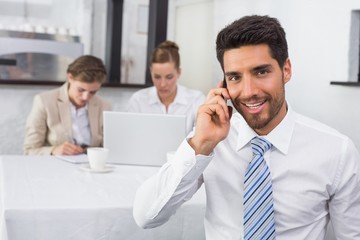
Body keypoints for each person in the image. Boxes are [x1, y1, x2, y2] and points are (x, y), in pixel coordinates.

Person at [133, 15, 360, 239]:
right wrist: (200, 144)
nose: (248, 91)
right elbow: (146, 216)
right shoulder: (211, 142)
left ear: (286, 70)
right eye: (234, 77)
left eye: (261, 72)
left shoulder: (336, 151)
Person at [24, 55, 112, 155]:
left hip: (90, 167)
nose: (85, 97)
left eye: (93, 92)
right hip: (55, 166)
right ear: (70, 77)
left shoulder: (104, 106)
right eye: (81, 90)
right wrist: (53, 151)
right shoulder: (44, 102)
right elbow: (29, 150)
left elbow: (109, 148)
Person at [127, 40, 205, 134]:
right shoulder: (138, 101)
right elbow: (130, 137)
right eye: (157, 77)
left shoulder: (196, 100)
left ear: (179, 72)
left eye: (169, 77)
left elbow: (202, 139)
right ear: (151, 72)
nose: (162, 84)